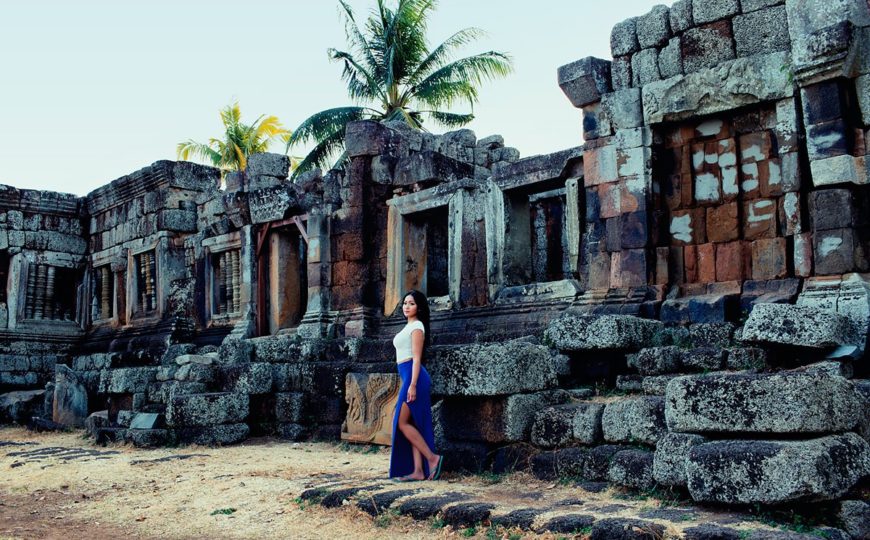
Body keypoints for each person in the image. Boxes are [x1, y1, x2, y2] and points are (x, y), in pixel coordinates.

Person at [389, 290, 443, 481]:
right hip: (408, 377)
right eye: (404, 303)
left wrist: (411, 385)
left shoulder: (418, 326)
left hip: (415, 378)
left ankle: (433, 458)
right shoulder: (408, 326)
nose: (406, 306)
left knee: (401, 421)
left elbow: (417, 359)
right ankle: (418, 471)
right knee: (410, 422)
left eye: (411, 303)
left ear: (418, 307)